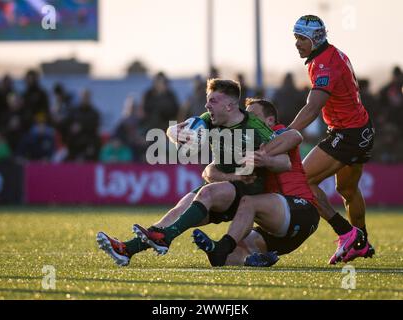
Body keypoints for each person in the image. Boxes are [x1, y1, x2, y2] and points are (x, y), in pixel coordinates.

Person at [96, 79, 302, 266]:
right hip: (223, 187)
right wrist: (174, 133)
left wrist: (265, 159)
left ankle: (165, 238)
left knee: (206, 193)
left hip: (248, 192)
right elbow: (174, 130)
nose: (207, 105)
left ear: (229, 106)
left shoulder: (254, 127)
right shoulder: (209, 119)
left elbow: (285, 162)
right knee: (178, 210)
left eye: (212, 101)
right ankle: (126, 250)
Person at [288, 15, 375, 264]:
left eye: (302, 39)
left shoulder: (324, 63)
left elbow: (313, 107)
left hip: (347, 133)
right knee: (347, 189)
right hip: (361, 130)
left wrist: (288, 132)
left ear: (316, 39)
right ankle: (361, 242)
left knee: (302, 180)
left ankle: (346, 234)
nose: (297, 43)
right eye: (295, 38)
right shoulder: (329, 55)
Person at [192, 98, 320, 267]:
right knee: (232, 253)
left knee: (248, 203)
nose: (247, 119)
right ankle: (247, 259)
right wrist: (229, 175)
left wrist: (263, 156)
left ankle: (221, 246)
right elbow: (208, 171)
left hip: (301, 210)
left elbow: (295, 136)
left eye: (253, 115)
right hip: (276, 228)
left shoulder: (276, 133)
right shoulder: (246, 142)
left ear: (270, 121)